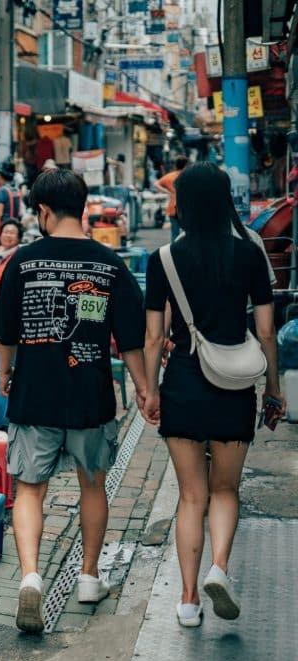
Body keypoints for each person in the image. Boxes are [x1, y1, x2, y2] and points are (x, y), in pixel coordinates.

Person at [0, 168, 148, 634]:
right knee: (93, 487)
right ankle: (88, 578)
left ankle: (31, 578)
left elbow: (5, 331)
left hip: (34, 393)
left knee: (30, 489)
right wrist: (143, 389)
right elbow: (131, 340)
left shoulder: (22, 261)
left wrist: (4, 372)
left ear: (42, 211)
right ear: (82, 208)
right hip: (90, 396)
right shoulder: (108, 264)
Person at [141, 162, 283, 628]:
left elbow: (152, 337)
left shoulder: (162, 259)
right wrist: (274, 391)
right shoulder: (248, 255)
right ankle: (219, 567)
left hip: (182, 382)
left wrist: (151, 391)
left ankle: (187, 600)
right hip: (234, 385)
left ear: (182, 204)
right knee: (225, 490)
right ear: (226, 202)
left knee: (190, 497)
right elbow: (266, 332)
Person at [157, 156, 189, 241]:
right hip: (186, 208)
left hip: (173, 208)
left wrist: (167, 191)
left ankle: (174, 252)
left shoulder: (170, 176)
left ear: (176, 165)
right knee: (188, 233)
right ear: (185, 165)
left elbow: (156, 184)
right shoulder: (188, 175)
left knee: (174, 234)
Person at [0, 162, 22, 233]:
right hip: (15, 229)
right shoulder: (16, 190)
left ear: (0, 176)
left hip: (4, 230)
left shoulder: (2, 191)